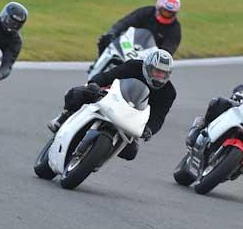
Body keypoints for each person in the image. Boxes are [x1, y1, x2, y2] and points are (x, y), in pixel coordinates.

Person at [47, 49, 175, 160]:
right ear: (148, 67)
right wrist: (94, 84)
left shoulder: (169, 93)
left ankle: (97, 157)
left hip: (131, 118)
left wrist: (149, 129)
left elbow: (158, 117)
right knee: (78, 93)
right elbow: (109, 76)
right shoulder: (134, 66)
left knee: (131, 152)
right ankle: (63, 117)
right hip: (111, 99)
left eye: (163, 73)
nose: (159, 76)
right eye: (156, 71)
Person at [96, 0, 182, 56]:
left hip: (149, 58)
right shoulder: (146, 12)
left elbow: (168, 49)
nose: (167, 14)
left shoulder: (175, 29)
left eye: (170, 13)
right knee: (105, 40)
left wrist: (159, 56)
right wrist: (113, 32)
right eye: (164, 11)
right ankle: (98, 66)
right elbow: (126, 22)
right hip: (129, 46)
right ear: (158, 7)